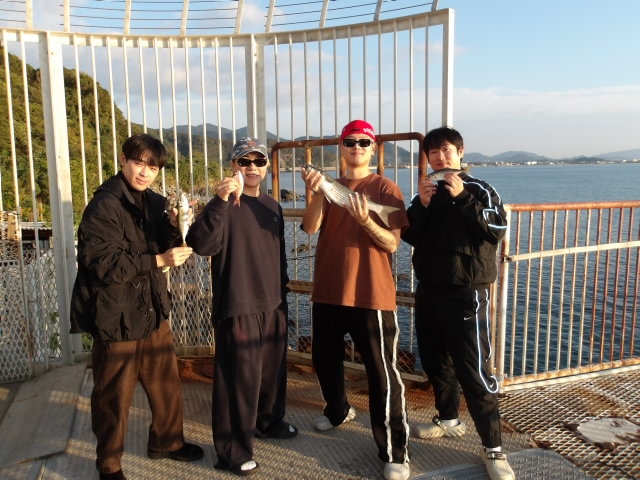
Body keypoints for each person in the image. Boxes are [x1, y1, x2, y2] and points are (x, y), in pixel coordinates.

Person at [69, 133, 204, 480]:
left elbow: (165, 244)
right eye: (139, 163)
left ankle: (167, 442)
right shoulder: (104, 205)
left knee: (165, 383)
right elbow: (101, 264)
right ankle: (109, 465)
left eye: (153, 167)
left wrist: (174, 227)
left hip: (152, 309)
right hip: (115, 315)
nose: (145, 172)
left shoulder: (155, 203)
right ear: (123, 159)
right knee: (113, 396)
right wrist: (159, 260)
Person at [401, 126, 515, 480]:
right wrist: (421, 206)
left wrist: (463, 196)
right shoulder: (426, 192)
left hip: (468, 293)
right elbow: (409, 234)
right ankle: (448, 419)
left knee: (474, 370)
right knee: (436, 361)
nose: (440, 157)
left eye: (446, 150)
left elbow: (497, 229)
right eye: (433, 152)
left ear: (460, 153)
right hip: (429, 289)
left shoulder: (480, 189)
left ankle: (494, 448)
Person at [300, 120, 411, 480]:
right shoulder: (328, 186)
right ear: (341, 146)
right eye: (350, 141)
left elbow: (392, 243)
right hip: (329, 289)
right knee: (323, 358)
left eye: (364, 141)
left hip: (371, 294)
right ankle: (337, 411)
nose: (357, 147)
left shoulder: (385, 188)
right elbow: (310, 227)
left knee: (382, 373)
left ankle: (394, 452)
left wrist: (366, 220)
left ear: (373, 147)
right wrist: (317, 192)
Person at [186, 137, 297, 476]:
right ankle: (232, 452)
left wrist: (282, 296)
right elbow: (201, 245)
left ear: (266, 167)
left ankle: (268, 422)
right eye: (244, 161)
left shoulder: (272, 206)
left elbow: (278, 255)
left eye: (258, 161)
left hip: (273, 302)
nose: (252, 167)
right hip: (237, 304)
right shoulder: (221, 206)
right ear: (233, 166)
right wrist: (219, 200)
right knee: (238, 381)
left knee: (272, 373)